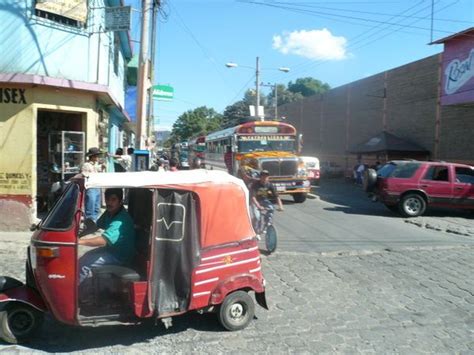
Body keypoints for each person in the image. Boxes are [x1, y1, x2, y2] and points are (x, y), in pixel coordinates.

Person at [78, 188, 136, 284]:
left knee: (85, 263)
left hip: (120, 256)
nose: (109, 202)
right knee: (84, 257)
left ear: (120, 202)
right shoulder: (110, 212)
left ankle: (80, 293)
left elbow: (103, 241)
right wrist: (79, 234)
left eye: (113, 200)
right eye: (107, 199)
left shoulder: (121, 220)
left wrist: (79, 242)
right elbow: (96, 226)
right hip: (111, 250)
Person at [81, 147, 105, 222]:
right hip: (91, 187)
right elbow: (84, 175)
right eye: (97, 156)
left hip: (97, 186)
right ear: (93, 156)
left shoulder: (95, 165)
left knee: (96, 207)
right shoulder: (86, 165)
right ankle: (89, 223)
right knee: (90, 206)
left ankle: (94, 222)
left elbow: (98, 170)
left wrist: (102, 167)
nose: (98, 157)